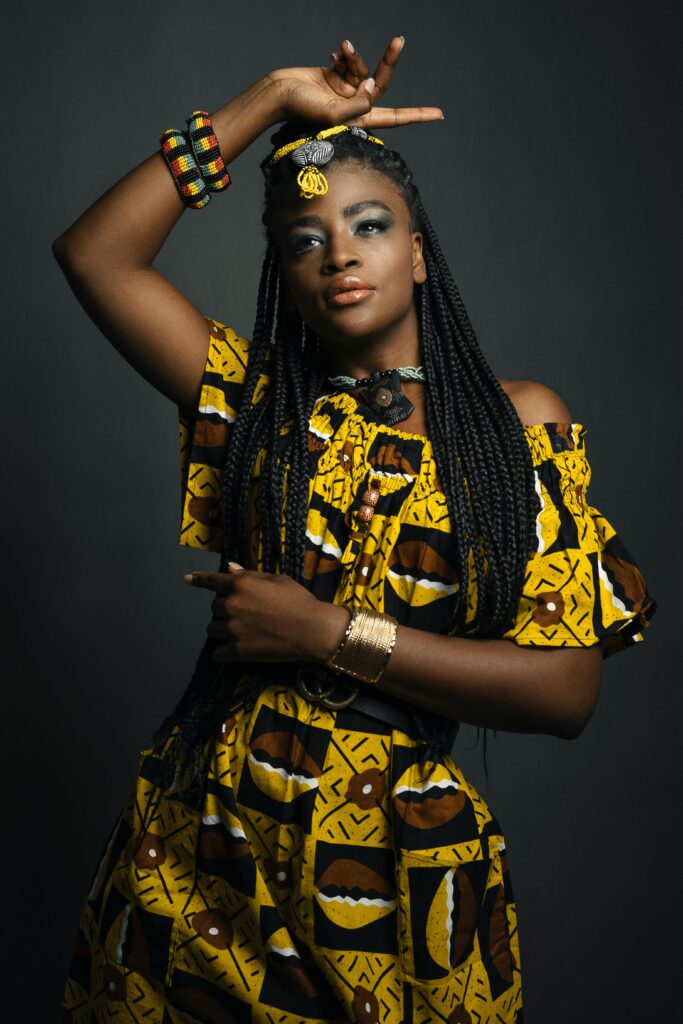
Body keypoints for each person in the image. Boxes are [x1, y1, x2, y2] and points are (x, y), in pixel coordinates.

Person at [54, 35, 656, 1024]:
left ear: (415, 253)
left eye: (368, 225)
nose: (337, 253)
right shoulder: (256, 405)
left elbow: (565, 690)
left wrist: (325, 632)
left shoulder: (513, 427)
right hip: (200, 859)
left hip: (395, 870)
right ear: (283, 273)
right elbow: (95, 254)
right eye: (304, 239)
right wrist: (269, 97)